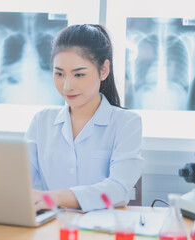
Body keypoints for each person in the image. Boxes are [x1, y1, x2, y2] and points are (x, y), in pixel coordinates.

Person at [25, 24, 144, 212]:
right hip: (53, 228)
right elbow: (19, 182)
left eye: (79, 74)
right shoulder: (42, 121)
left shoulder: (127, 123)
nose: (67, 86)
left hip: (102, 231)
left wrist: (55, 197)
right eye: (59, 74)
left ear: (103, 70)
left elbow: (119, 189)